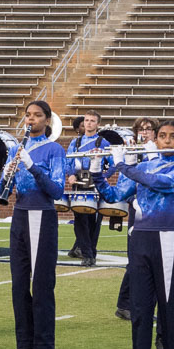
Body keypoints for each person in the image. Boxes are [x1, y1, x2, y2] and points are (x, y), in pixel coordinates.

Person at [94, 121, 174, 349]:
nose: (168, 141)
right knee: (140, 309)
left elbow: (160, 183)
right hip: (141, 239)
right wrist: (96, 174)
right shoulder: (141, 168)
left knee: (170, 305)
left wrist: (124, 166)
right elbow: (115, 195)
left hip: (169, 238)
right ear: (157, 141)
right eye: (163, 136)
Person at [1, 100, 67, 349]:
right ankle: (23, 346)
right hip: (20, 214)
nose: (31, 120)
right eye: (28, 115)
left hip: (42, 214)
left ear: (47, 120)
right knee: (18, 284)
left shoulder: (54, 149)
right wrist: (8, 175)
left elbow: (57, 190)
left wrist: (32, 167)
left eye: (37, 116)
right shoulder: (18, 148)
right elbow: (9, 187)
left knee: (40, 285)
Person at [115, 116, 157, 321]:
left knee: (149, 260)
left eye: (149, 129)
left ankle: (133, 304)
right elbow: (123, 184)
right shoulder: (133, 151)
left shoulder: (156, 152)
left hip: (157, 209)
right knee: (136, 258)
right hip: (138, 207)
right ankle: (125, 304)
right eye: (141, 129)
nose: (145, 132)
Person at [66, 110, 109, 266]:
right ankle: (86, 254)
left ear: (98, 124)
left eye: (92, 120)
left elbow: (112, 163)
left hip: (95, 185)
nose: (88, 123)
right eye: (86, 120)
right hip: (79, 184)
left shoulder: (103, 142)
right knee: (80, 221)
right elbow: (68, 162)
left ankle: (91, 253)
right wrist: (70, 174)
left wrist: (104, 176)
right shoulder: (75, 143)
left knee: (93, 222)